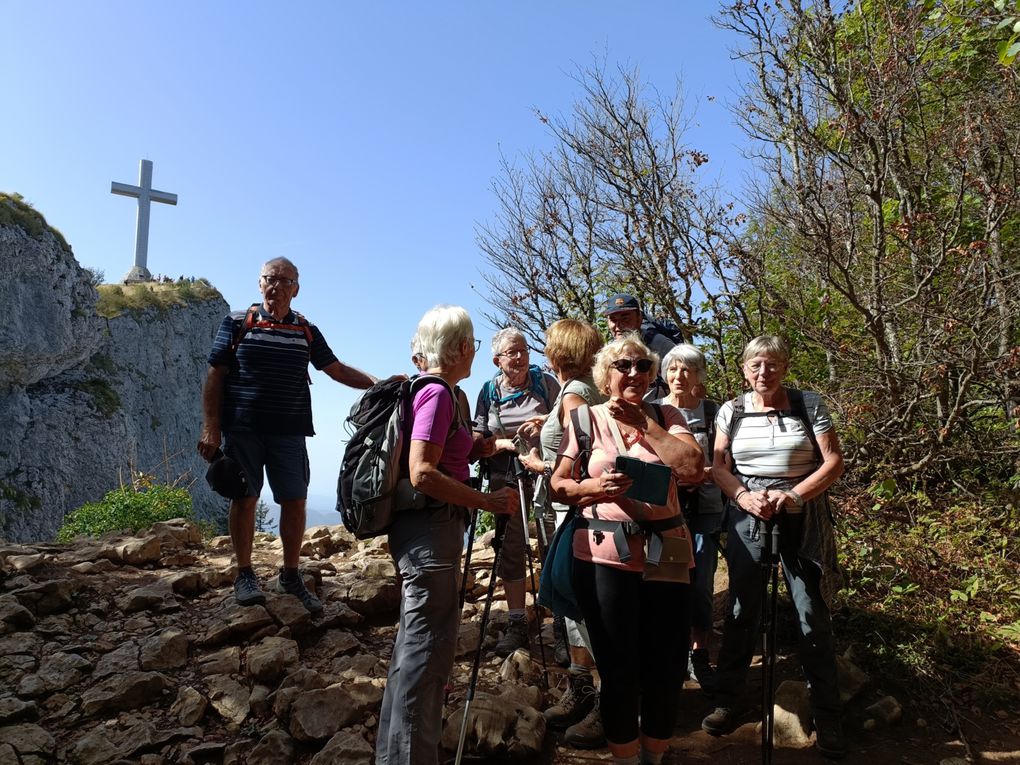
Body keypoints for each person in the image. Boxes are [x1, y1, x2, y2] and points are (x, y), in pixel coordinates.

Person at [550, 334, 703, 765]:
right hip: (602, 556)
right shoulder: (585, 420)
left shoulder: (667, 414)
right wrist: (592, 488)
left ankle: (652, 758)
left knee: (667, 666)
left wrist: (645, 425)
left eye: (642, 366)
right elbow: (558, 485)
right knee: (618, 669)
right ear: (606, 375)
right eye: (623, 366)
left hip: (667, 554)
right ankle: (624, 759)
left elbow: (692, 469)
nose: (634, 373)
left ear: (653, 374)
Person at [376, 305, 518, 765]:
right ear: (460, 347)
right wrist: (487, 502)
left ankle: (394, 755)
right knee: (427, 657)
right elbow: (422, 472)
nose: (475, 351)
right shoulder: (438, 394)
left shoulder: (445, 394)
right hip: (430, 532)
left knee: (412, 652)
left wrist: (485, 445)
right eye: (473, 343)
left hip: (427, 531)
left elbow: (450, 448)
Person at [198, 257, 377, 613]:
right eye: (270, 279)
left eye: (285, 281)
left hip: (290, 431)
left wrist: (380, 383)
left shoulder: (306, 329)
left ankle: (290, 574)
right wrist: (211, 427)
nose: (276, 286)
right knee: (245, 498)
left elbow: (335, 369)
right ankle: (245, 573)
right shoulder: (236, 322)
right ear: (259, 283)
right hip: (243, 428)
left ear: (296, 289)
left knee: (294, 501)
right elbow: (215, 377)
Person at [701, 335, 846, 759]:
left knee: (810, 610)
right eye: (756, 365)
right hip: (750, 512)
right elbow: (718, 466)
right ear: (745, 370)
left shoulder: (808, 403)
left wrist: (796, 495)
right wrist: (745, 497)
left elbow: (833, 460)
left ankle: (827, 713)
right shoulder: (733, 409)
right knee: (743, 609)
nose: (764, 372)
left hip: (802, 511)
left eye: (773, 364)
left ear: (784, 367)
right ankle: (728, 699)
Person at [518, 319, 606, 748]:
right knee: (574, 607)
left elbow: (584, 454)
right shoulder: (583, 389)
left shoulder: (574, 393)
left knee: (579, 603)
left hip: (573, 512)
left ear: (558, 353)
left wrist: (537, 464)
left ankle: (606, 702)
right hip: (573, 512)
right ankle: (583, 690)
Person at [472, 327, 560, 656]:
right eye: (512, 352)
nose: (521, 356)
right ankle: (517, 621)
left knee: (554, 542)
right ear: (497, 360)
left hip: (546, 473)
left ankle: (563, 623)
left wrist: (544, 422)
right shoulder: (488, 392)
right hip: (505, 475)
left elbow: (569, 416)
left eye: (523, 350)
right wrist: (506, 444)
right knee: (509, 549)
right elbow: (478, 442)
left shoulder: (546, 384)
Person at [655, 344, 724, 692]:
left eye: (687, 370)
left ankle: (699, 654)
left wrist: (701, 474)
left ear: (699, 376)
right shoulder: (654, 412)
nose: (679, 376)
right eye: (672, 369)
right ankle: (671, 654)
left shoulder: (714, 414)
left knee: (701, 586)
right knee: (666, 582)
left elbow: (728, 464)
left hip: (706, 511)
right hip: (666, 512)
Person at [601, 293, 679, 401]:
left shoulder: (658, 343)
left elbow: (690, 379)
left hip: (658, 413)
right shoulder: (611, 350)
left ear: (639, 319)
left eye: (625, 319)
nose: (618, 325)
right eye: (613, 320)